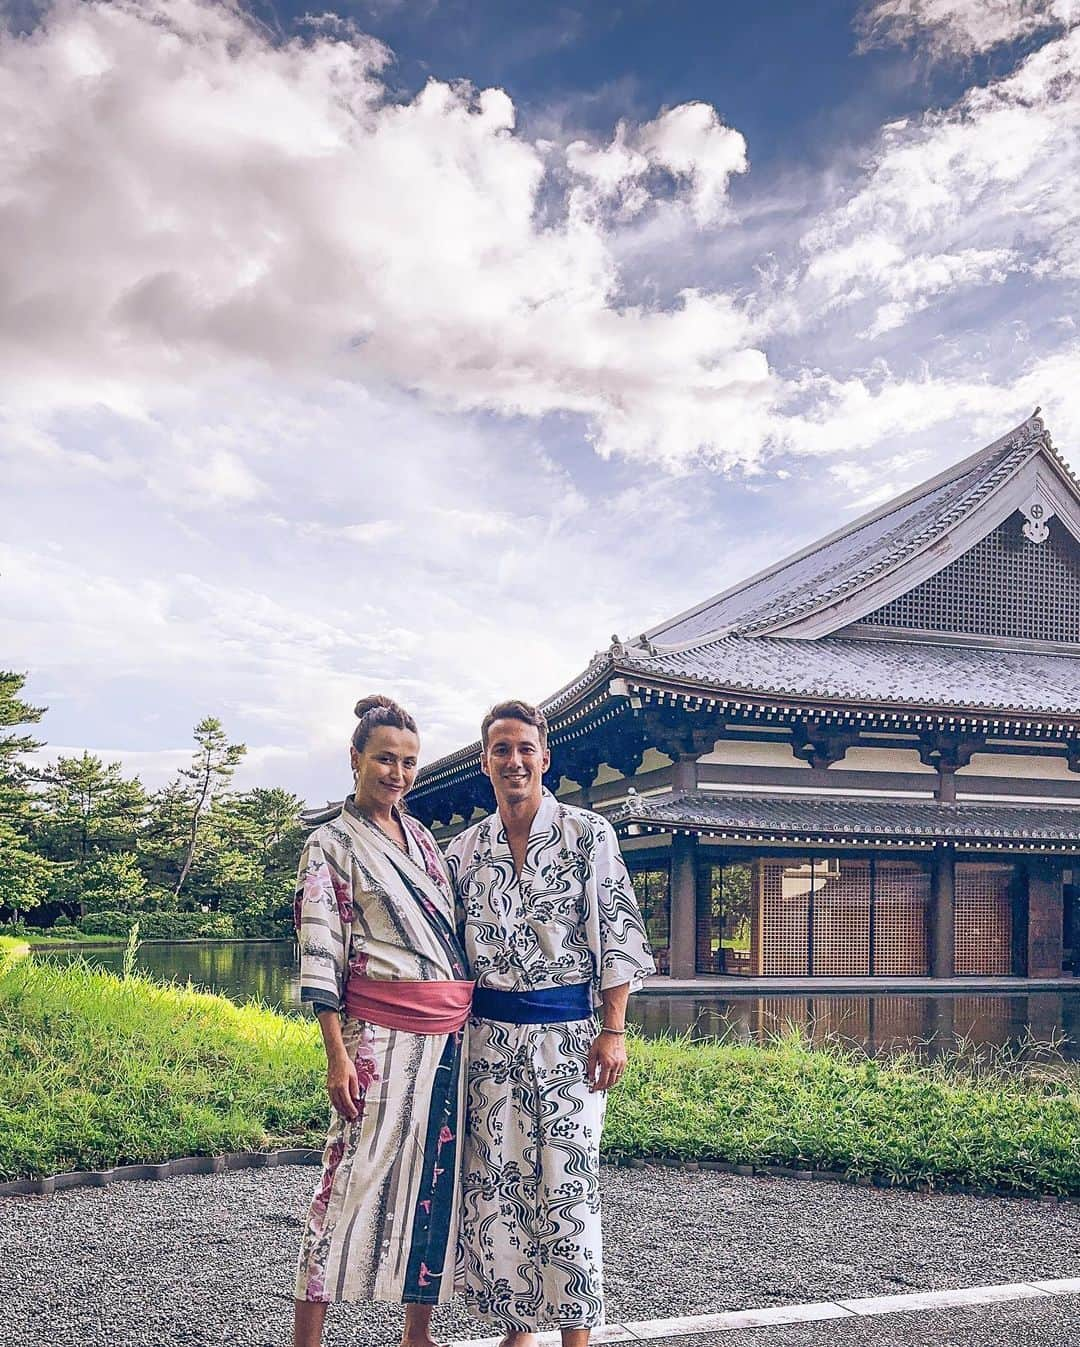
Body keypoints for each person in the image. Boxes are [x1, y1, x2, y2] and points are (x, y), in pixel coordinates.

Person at [445, 700, 655, 1347]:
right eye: (501, 749)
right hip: (489, 1043)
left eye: (524, 748)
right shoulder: (463, 853)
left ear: (545, 756)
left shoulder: (590, 835)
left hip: (568, 1041)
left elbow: (617, 936)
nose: (513, 760)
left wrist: (613, 1029)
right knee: (501, 1189)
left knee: (568, 1186)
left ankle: (574, 1337)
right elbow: (445, 954)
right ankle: (518, 1324)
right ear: (485, 761)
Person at [292, 695, 473, 1347]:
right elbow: (321, 946)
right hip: (377, 1038)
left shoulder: (424, 840)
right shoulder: (329, 843)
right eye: (384, 759)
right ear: (355, 759)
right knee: (346, 1183)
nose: (397, 772)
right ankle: (307, 1337)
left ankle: (415, 1333)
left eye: (408, 762)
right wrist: (336, 1052)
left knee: (431, 1183)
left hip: (446, 1039)